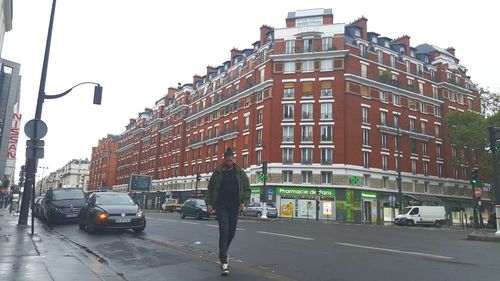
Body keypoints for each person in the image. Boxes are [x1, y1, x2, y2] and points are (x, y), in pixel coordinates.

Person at [206, 148, 250, 276]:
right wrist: (209, 203)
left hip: (234, 207)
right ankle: (224, 262)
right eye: (227, 160)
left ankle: (222, 251)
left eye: (231, 160)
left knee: (231, 233)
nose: (229, 162)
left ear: (233, 159)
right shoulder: (217, 172)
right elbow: (210, 189)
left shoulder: (240, 172)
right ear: (223, 159)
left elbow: (247, 189)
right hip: (221, 206)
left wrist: (244, 202)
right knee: (224, 231)